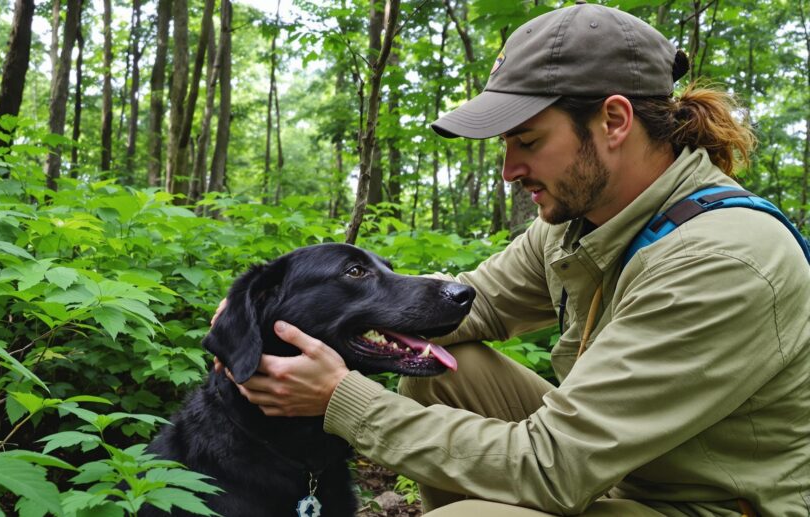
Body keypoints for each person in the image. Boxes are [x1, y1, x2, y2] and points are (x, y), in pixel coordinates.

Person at [220, 2, 810, 515]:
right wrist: (259, 320)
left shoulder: (722, 260)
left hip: (697, 503)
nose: (509, 171)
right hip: (621, 471)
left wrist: (343, 400)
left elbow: (558, 468)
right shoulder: (579, 220)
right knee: (447, 366)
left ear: (613, 120)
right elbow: (461, 306)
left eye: (527, 141)